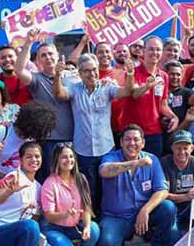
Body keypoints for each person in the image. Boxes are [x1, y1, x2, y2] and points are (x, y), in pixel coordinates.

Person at [53, 53, 134, 212]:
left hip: (106, 147)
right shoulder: (74, 89)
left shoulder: (106, 87)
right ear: (80, 73)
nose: (92, 74)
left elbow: (126, 92)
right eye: (87, 71)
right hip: (83, 150)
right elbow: (59, 93)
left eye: (94, 70)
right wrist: (57, 75)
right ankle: (91, 220)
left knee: (110, 187)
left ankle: (109, 217)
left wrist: (130, 74)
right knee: (89, 189)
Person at [98, 124, 181, 246]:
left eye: (136, 140)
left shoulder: (152, 159)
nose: (132, 143)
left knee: (168, 208)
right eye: (127, 139)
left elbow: (162, 190)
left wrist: (145, 210)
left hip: (145, 214)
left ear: (143, 143)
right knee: (107, 243)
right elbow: (104, 171)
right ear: (121, 143)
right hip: (118, 216)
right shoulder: (111, 157)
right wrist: (134, 163)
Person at [40, 144, 102, 246]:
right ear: (56, 160)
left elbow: (86, 207)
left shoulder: (81, 179)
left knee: (93, 229)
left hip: (74, 226)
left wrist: (86, 227)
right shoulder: (49, 183)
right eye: (64, 157)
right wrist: (65, 214)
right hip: (53, 227)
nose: (69, 160)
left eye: (71, 156)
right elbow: (48, 216)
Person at [17, 41, 75, 179]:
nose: (48, 57)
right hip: (48, 141)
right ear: (38, 60)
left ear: (58, 56)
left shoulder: (73, 77)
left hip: (73, 138)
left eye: (50, 54)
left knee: (70, 179)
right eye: (43, 55)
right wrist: (28, 44)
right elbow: (19, 70)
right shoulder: (36, 80)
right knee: (50, 178)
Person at [117, 36, 180, 156]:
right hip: (131, 132)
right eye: (151, 49)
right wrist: (147, 86)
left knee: (151, 168)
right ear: (143, 51)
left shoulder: (164, 76)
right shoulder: (132, 73)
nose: (154, 53)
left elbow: (163, 104)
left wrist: (174, 117)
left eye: (158, 49)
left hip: (154, 132)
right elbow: (134, 94)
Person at [161, 130, 194, 235]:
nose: (182, 152)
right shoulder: (164, 163)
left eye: (185, 148)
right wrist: (185, 196)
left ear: (192, 148)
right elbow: (163, 195)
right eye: (178, 148)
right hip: (172, 208)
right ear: (172, 148)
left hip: (190, 207)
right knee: (174, 236)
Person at [0, 29, 36, 106]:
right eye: (3, 57)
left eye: (10, 56)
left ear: (17, 58)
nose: (7, 60)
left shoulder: (28, 77)